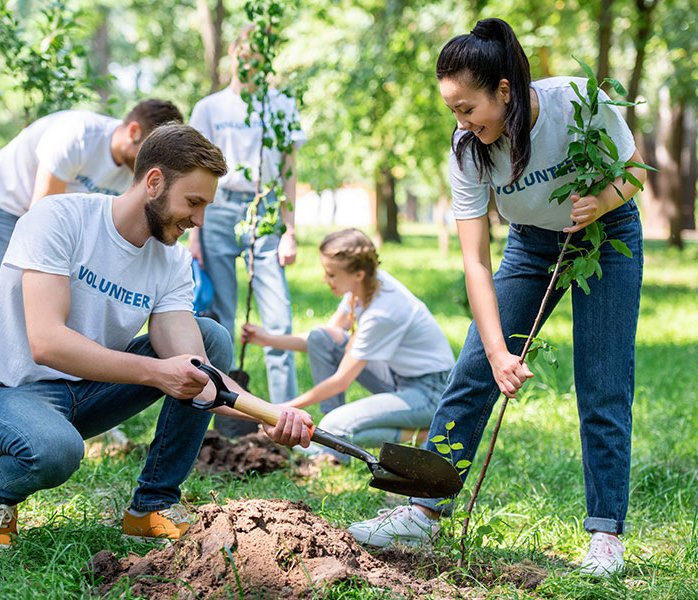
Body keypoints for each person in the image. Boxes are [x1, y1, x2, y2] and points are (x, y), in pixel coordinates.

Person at [347, 18, 646, 578]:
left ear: (503, 91)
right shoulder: (468, 151)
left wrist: (603, 202)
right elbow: (476, 262)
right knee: (470, 372)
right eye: (452, 111)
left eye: (466, 108)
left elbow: (634, 170)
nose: (460, 122)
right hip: (531, 246)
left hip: (605, 239)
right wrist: (497, 352)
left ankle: (606, 536)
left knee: (603, 382)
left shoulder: (576, 103)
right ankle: (420, 509)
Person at [0, 124, 313, 550]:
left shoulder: (172, 261)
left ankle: (151, 507)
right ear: (154, 182)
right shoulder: (59, 218)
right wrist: (157, 373)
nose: (198, 220)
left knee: (210, 336)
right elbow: (46, 342)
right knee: (55, 450)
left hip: (83, 395)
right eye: (193, 202)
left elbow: (198, 371)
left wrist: (269, 416)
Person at [241, 228, 455, 458]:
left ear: (358, 274)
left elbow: (340, 382)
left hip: (430, 393)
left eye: (331, 274)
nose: (325, 279)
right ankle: (328, 435)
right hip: (397, 378)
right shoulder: (364, 287)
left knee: (337, 426)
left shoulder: (383, 312)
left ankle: (419, 435)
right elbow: (324, 337)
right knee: (321, 337)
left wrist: (280, 410)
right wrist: (267, 340)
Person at [188, 25, 306, 404]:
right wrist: (194, 233)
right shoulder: (210, 108)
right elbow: (194, 168)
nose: (250, 62)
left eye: (260, 56)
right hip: (218, 208)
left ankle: (284, 414)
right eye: (244, 53)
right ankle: (216, 406)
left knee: (277, 318)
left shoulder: (282, 104)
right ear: (234, 53)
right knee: (218, 315)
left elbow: (289, 170)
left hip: (266, 208)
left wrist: (289, 229)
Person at [0, 99, 183, 308]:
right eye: (151, 152)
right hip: (5, 201)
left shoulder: (138, 171)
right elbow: (40, 215)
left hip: (50, 214)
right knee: (3, 297)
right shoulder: (79, 135)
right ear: (134, 131)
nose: (154, 164)